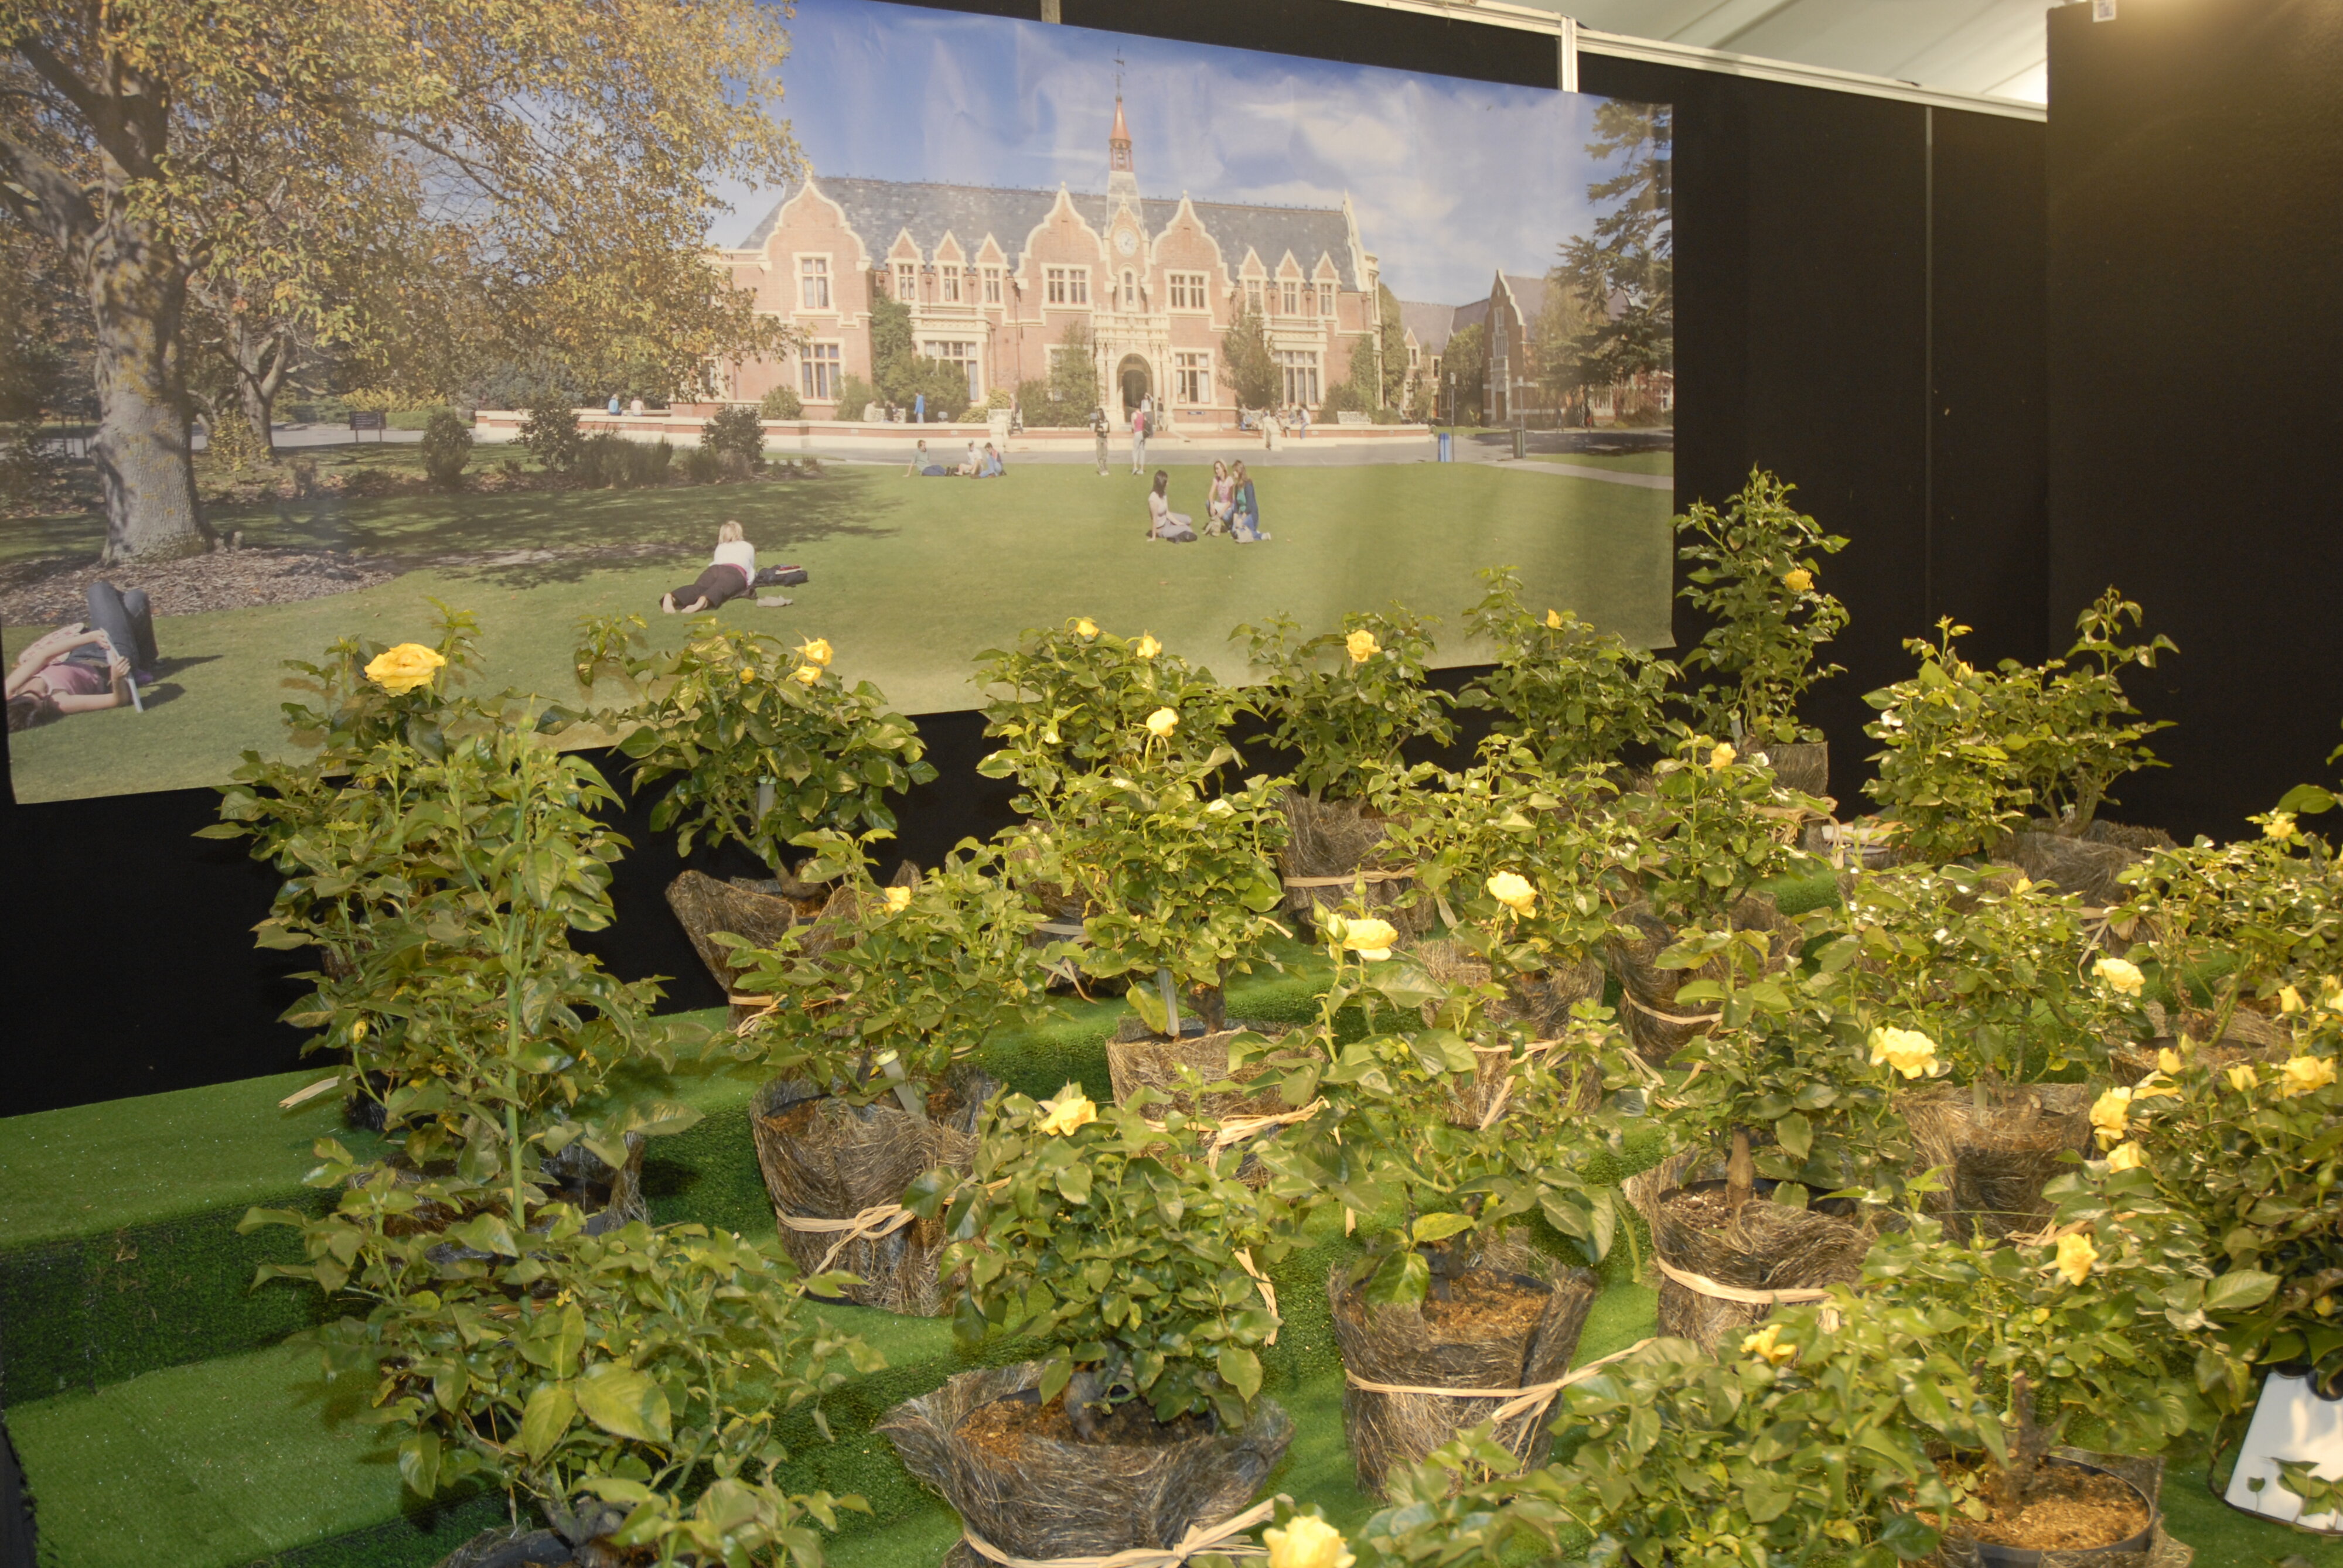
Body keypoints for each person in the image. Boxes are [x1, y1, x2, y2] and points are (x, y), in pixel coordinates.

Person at [6, 582, 155, 731]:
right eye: (43, 701)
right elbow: (118, 700)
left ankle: (145, 657)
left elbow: (45, 655)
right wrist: (116, 678)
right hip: (110, 660)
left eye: (35, 694)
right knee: (99, 590)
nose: (44, 694)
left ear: (14, 698)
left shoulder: (12, 688)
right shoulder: (60, 702)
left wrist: (90, 638)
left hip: (82, 652)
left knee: (136, 599)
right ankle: (139, 658)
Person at [661, 520, 756, 614]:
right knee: (720, 588)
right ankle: (703, 602)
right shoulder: (748, 546)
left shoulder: (721, 547)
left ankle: (672, 597)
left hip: (714, 569)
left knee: (699, 587)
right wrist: (749, 583)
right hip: (734, 571)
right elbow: (750, 570)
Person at [1145, 469, 1196, 542]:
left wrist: (1178, 523)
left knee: (1188, 520)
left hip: (1167, 520)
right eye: (1166, 482)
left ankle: (1175, 529)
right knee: (1189, 530)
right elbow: (1154, 520)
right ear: (1161, 484)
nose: (1168, 484)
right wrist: (1153, 537)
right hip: (1162, 529)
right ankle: (1174, 537)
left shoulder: (1163, 493)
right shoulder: (1153, 499)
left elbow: (1167, 513)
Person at [1229, 460, 1269, 542]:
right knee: (1234, 531)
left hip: (1251, 515)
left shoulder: (1248, 484)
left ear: (1239, 472)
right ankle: (1249, 531)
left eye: (1235, 471)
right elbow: (1236, 506)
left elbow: (1250, 506)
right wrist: (1235, 522)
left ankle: (1261, 536)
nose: (1233, 473)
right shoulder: (1237, 487)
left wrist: (1241, 520)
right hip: (1242, 515)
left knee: (1239, 528)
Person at [1203, 459, 1235, 536]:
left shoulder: (1230, 480)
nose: (1216, 471)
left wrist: (1222, 511)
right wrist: (1211, 505)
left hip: (1229, 506)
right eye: (1215, 469)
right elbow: (1211, 494)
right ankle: (1216, 523)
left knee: (1225, 516)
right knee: (1208, 503)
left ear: (1223, 468)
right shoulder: (1216, 480)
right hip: (1221, 504)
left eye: (1218, 468)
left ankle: (1230, 526)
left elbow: (1230, 500)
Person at [1129, 401, 1147, 474]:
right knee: (1142, 451)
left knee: (1135, 451)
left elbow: (1133, 426)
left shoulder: (1134, 414)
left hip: (1137, 433)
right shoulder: (1143, 415)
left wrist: (1133, 430)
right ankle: (1142, 469)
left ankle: (1135, 467)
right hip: (1143, 434)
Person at [1092, 405, 1110, 476]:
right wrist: (1100, 429)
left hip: (1105, 438)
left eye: (1099, 414)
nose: (1098, 415)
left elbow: (1108, 430)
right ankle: (1101, 469)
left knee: (1105, 454)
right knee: (1099, 453)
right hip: (1099, 438)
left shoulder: (1106, 421)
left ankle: (1105, 468)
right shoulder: (1097, 421)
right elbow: (1095, 429)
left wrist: (1105, 429)